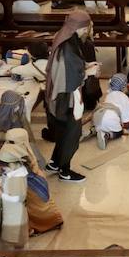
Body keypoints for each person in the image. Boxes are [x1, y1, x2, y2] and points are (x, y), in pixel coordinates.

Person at [45, 10, 92, 181]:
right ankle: (64, 170)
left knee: (63, 131)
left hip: (57, 94)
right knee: (72, 133)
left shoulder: (63, 36)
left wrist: (85, 65)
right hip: (66, 97)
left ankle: (54, 162)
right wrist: (88, 71)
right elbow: (72, 78)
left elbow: (70, 68)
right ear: (82, 27)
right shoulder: (69, 47)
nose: (87, 31)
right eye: (87, 27)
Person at [0, 144, 30, 247]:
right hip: (12, 209)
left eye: (4, 168)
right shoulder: (14, 171)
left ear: (11, 164)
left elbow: (18, 198)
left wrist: (1, 195)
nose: (4, 170)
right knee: (13, 230)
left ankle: (17, 248)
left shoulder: (17, 179)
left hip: (16, 212)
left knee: (15, 232)